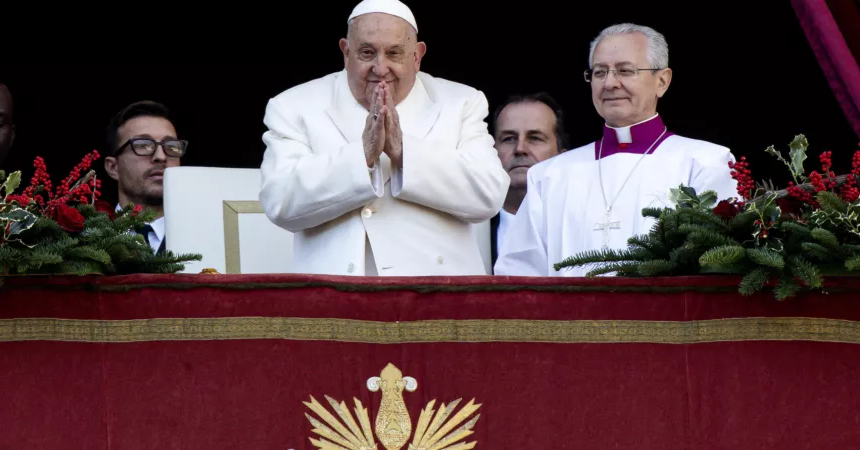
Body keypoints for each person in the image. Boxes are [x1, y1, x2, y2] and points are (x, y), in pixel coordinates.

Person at [258, 0, 509, 276]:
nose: (380, 68)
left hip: (439, 292)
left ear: (417, 55)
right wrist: (362, 156)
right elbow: (280, 202)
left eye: (394, 53)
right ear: (346, 51)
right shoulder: (294, 105)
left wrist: (404, 153)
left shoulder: (461, 102)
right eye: (367, 53)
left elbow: (489, 195)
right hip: (338, 293)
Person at [494, 23, 738, 277]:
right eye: (600, 72)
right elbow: (519, 275)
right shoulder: (549, 176)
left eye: (625, 70)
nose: (610, 83)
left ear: (662, 81)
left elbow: (719, 268)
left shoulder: (706, 163)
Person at [490, 93, 569, 267]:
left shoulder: (577, 228)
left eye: (535, 138)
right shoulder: (466, 229)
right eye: (509, 139)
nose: (520, 149)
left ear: (563, 158)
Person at [103, 100, 187, 254]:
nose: (161, 156)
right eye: (143, 145)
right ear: (113, 167)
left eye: (171, 146)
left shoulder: (210, 235)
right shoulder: (82, 240)